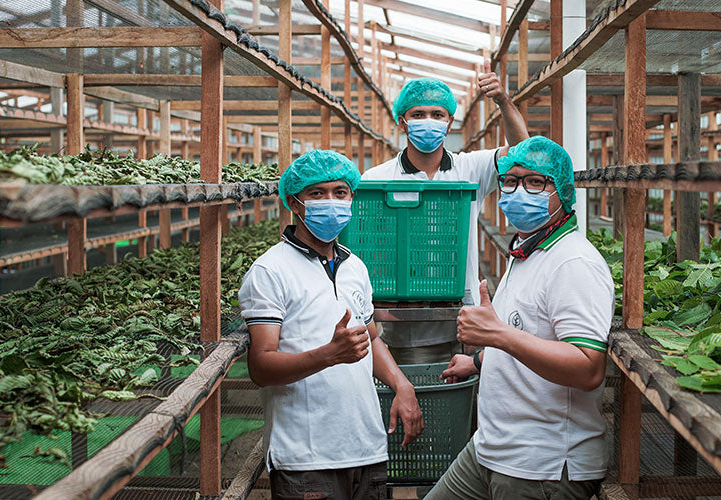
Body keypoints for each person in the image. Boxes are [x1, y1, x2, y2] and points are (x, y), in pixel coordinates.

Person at [426, 136, 614, 500]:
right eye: (510, 181)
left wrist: (497, 336)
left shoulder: (573, 263)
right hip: (493, 447)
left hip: (541, 464)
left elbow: (588, 368)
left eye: (534, 181)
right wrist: (481, 360)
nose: (517, 190)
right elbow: (527, 331)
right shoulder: (527, 249)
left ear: (560, 190)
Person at [238, 150, 424, 500]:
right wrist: (328, 354)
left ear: (352, 197)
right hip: (308, 460)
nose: (331, 201)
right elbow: (261, 367)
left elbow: (369, 339)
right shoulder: (270, 271)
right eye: (317, 193)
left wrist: (402, 385)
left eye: (340, 193)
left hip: (366, 447)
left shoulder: (355, 266)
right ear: (295, 202)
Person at [361, 65, 529, 364]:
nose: (428, 122)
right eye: (418, 114)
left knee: (468, 399)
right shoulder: (377, 178)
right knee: (417, 396)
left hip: (468, 320)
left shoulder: (469, 169)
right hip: (408, 328)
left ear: (450, 122)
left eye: (437, 115)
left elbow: (521, 151)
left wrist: (503, 100)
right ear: (402, 122)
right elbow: (368, 250)